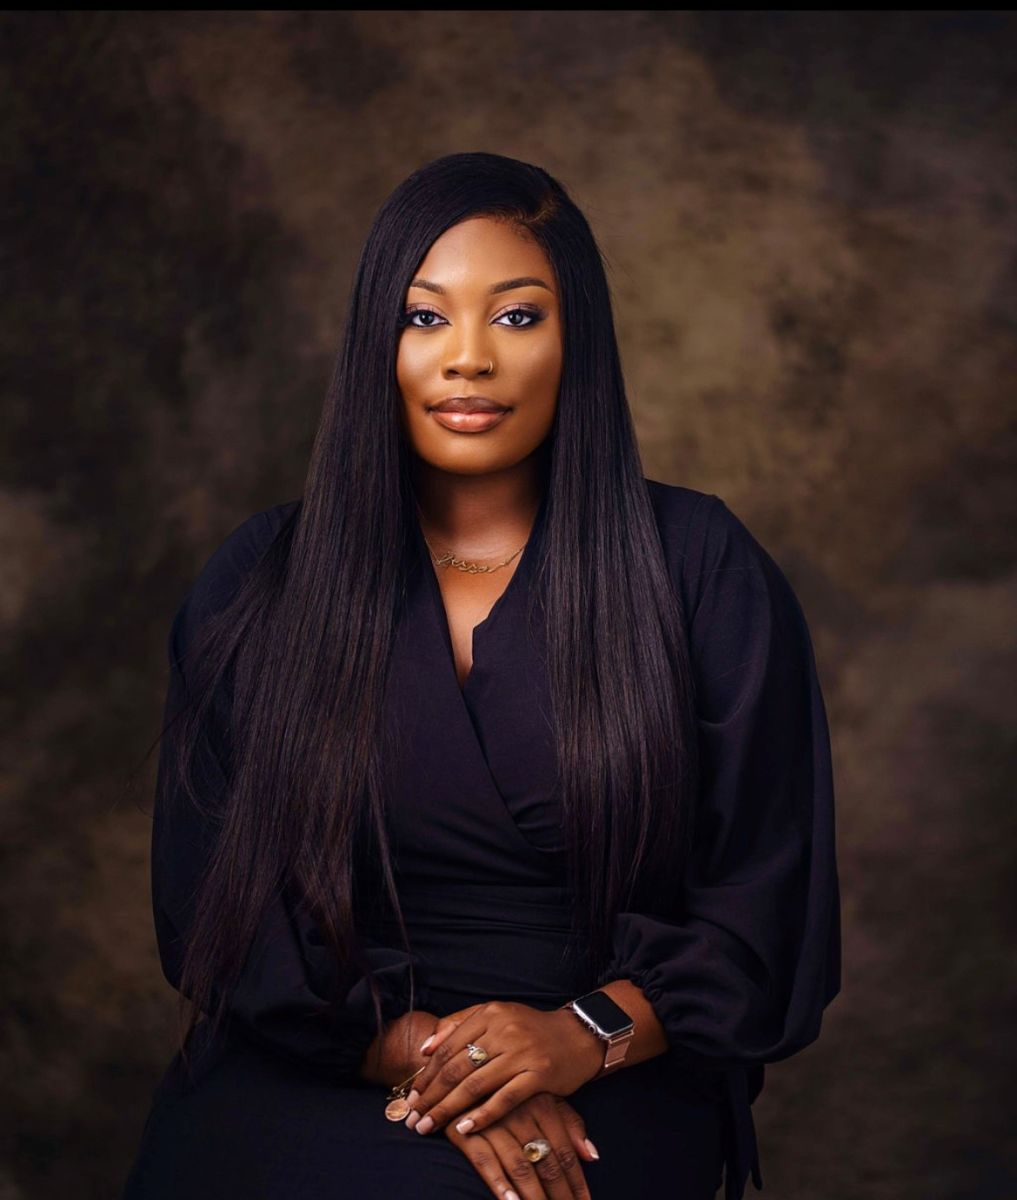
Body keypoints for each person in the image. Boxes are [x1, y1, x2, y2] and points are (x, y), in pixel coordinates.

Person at [121, 152, 841, 1200]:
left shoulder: (697, 566)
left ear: (576, 341)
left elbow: (766, 909)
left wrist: (577, 1037)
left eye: (515, 318)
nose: (468, 360)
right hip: (323, 1062)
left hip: (613, 1071)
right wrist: (439, 1060)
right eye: (425, 319)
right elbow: (214, 913)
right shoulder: (265, 578)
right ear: (378, 342)